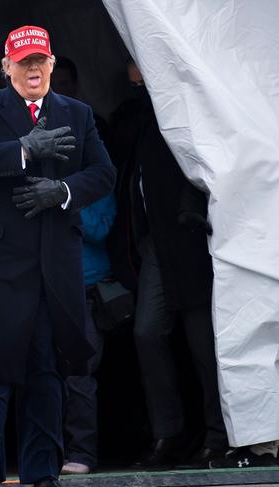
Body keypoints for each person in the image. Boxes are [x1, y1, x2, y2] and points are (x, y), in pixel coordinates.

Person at [0, 25, 115, 487]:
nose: (33, 69)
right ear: (6, 67)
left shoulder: (77, 113)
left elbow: (104, 174)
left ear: (52, 63)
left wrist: (62, 190)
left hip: (51, 263)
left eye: (40, 61)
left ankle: (41, 475)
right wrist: (22, 150)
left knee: (45, 370)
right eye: (24, 62)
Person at [125, 61, 230, 469]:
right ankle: (168, 434)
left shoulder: (189, 113)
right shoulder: (146, 121)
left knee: (205, 345)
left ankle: (219, 435)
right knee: (146, 332)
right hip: (157, 244)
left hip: (193, 240)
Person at [61, 193, 116, 475]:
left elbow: (99, 229)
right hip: (46, 286)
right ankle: (44, 450)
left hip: (86, 288)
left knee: (79, 374)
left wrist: (67, 198)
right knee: (42, 372)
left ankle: (81, 452)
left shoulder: (96, 183)